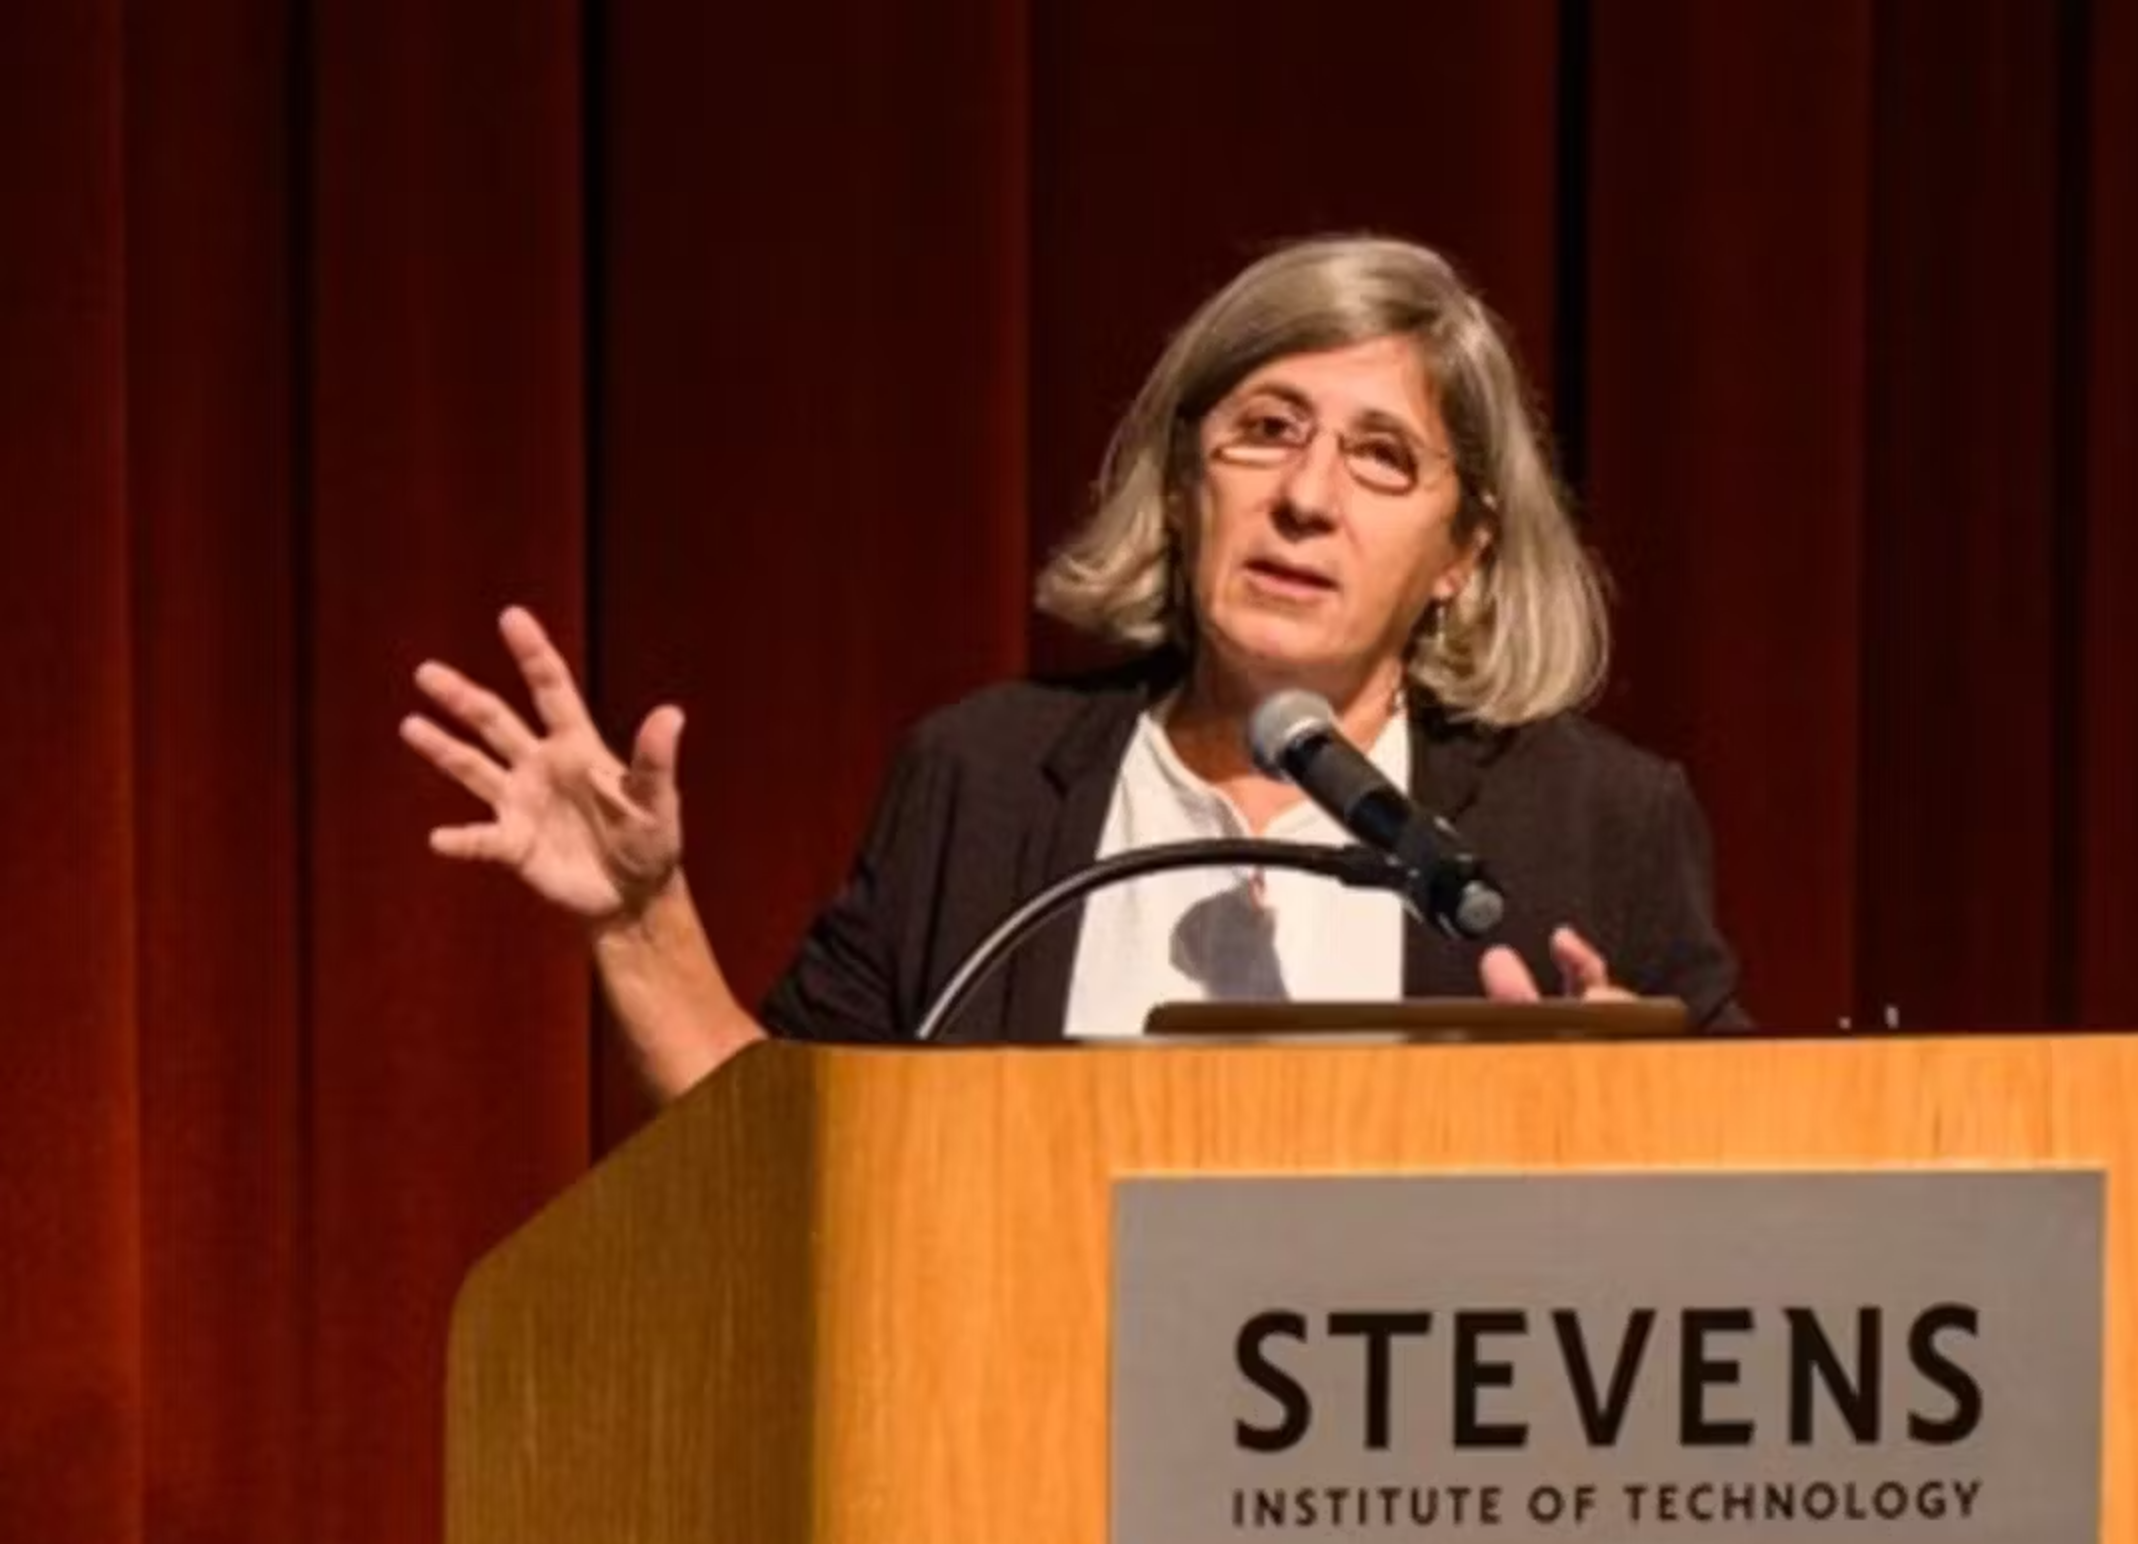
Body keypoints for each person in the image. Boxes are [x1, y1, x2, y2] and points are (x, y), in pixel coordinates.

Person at [402, 235, 1744, 1102]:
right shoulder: (982, 781)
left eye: (1382, 456)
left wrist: (1650, 1117)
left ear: (1462, 553)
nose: (1307, 498)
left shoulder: (1592, 825)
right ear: (1177, 487)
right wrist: (640, 921)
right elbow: (794, 1166)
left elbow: (1766, 1217)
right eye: (1264, 431)